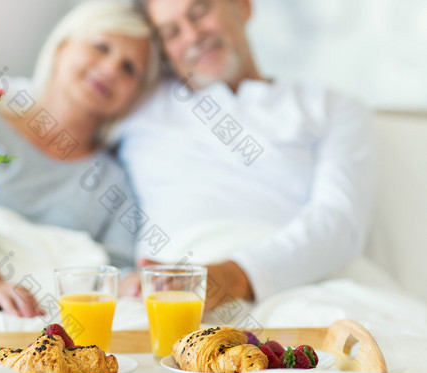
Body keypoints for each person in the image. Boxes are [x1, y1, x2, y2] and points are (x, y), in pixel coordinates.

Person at [0, 0, 160, 317]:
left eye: (129, 68)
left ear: (136, 92)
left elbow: (113, 272)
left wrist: (136, 283)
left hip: (45, 317)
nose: (110, 69)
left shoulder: (112, 180)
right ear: (63, 46)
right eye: (101, 47)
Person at [118, 0, 374, 310]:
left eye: (200, 13)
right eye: (171, 33)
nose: (193, 36)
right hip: (169, 299)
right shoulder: (134, 108)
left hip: (300, 287)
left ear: (242, 6)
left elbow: (339, 225)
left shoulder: (333, 108)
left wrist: (232, 277)